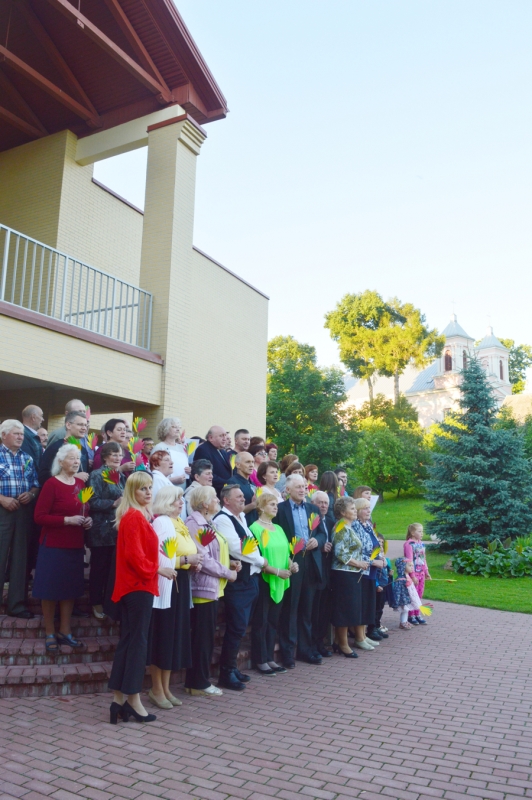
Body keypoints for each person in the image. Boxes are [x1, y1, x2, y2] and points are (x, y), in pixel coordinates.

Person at [108, 472, 175, 724]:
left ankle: (118, 701)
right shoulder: (135, 517)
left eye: (149, 488)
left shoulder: (135, 516)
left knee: (129, 642)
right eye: (142, 489)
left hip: (133, 587)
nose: (148, 492)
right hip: (138, 586)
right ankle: (133, 700)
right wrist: (159, 569)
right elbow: (135, 557)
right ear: (131, 492)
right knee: (137, 643)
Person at [148, 486, 203, 709]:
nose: (181, 504)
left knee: (173, 636)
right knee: (163, 635)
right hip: (166, 583)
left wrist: (191, 562)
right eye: (177, 500)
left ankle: (167, 687)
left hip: (180, 582)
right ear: (166, 502)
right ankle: (156, 688)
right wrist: (184, 560)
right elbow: (158, 557)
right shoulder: (161, 522)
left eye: (181, 500)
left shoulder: (178, 522)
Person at [33, 443, 91, 650]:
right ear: (60, 462)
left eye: (78, 458)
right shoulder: (51, 484)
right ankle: (50, 631)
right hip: (54, 545)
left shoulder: (80, 484)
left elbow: (84, 511)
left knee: (69, 589)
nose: (77, 462)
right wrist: (67, 520)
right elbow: (39, 517)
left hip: (75, 544)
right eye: (72, 458)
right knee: (49, 590)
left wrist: (87, 520)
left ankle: (65, 631)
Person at [185, 486, 238, 697]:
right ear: (205, 503)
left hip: (213, 586)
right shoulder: (194, 523)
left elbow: (215, 553)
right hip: (202, 587)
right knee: (202, 638)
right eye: (215, 498)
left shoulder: (209, 522)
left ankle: (198, 681)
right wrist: (227, 572)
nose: (218, 500)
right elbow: (203, 558)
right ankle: (198, 683)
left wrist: (231, 563)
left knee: (206, 637)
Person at [214, 484, 264, 691]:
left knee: (241, 628)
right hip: (238, 582)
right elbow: (238, 548)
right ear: (226, 500)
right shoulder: (223, 519)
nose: (244, 499)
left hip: (249, 580)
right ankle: (225, 673)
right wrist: (261, 561)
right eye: (239, 496)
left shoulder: (241, 517)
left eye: (243, 496)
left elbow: (249, 543)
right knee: (235, 627)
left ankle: (232, 668)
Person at [274, 474, 327, 667]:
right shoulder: (280, 509)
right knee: (291, 609)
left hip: (311, 561)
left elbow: (322, 533)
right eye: (298, 487)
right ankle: (288, 653)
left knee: (307, 609)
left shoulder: (313, 509)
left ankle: (305, 650)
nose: (303, 490)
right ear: (287, 490)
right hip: (292, 562)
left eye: (304, 486)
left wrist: (318, 541)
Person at [250, 493, 298, 675]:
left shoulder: (278, 528)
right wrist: (276, 571)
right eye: (271, 504)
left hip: (281, 579)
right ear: (261, 507)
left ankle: (269, 657)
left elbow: (286, 551)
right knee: (261, 621)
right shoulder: (254, 528)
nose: (275, 507)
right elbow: (256, 556)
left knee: (272, 621)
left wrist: (291, 564)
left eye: (276, 505)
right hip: (265, 579)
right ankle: (259, 659)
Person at [0, 420, 39, 618]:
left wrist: (31, 494)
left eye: (22, 434)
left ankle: (16, 605)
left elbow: (35, 484)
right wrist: (2, 499)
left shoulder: (27, 458)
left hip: (23, 511)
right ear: (3, 435)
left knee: (20, 559)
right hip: (2, 510)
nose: (20, 437)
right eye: (16, 434)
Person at [87, 442, 127, 620]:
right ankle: (96, 602)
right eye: (114, 455)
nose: (118, 458)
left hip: (118, 530)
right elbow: (90, 501)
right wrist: (112, 503)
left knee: (113, 570)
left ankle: (110, 603)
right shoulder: (96, 475)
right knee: (99, 569)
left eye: (120, 455)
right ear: (104, 457)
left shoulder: (121, 476)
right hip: (101, 531)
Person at [330, 496, 371, 657]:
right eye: (352, 508)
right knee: (344, 610)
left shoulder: (349, 527)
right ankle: (342, 644)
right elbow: (341, 553)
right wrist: (359, 563)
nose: (355, 511)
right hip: (343, 574)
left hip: (352, 574)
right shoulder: (340, 527)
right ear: (342, 512)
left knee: (350, 609)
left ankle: (341, 641)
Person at [353, 497, 384, 649]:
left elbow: (375, 545)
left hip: (372, 572)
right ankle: (359, 637)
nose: (368, 511)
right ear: (357, 511)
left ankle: (364, 635)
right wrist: (373, 562)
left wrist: (382, 558)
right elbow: (357, 551)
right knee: (362, 604)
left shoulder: (368, 525)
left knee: (369, 604)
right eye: (365, 508)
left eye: (368, 508)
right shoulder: (356, 526)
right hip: (362, 571)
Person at [310, 491, 334, 657]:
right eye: (320, 503)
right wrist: (320, 546)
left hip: (328, 571)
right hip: (314, 571)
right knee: (314, 610)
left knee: (324, 609)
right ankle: (312, 644)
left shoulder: (331, 521)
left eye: (326, 503)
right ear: (313, 503)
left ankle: (320, 642)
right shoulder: (311, 521)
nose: (324, 506)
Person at [39, 411, 90, 485]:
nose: (84, 428)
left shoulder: (83, 450)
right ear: (68, 425)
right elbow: (43, 476)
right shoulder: (55, 448)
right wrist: (73, 476)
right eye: (80, 424)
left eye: (85, 425)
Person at [151, 418, 191, 489]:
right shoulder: (159, 447)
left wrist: (190, 471)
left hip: (182, 489)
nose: (178, 429)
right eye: (174, 427)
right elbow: (153, 471)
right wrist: (171, 480)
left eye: (179, 427)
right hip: (165, 489)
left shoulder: (182, 448)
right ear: (165, 429)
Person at [404, 523, 431, 626]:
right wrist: (413, 576)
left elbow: (423, 559)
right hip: (414, 574)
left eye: (422, 531)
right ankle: (411, 615)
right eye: (419, 531)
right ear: (412, 533)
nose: (422, 533)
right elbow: (409, 560)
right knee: (412, 595)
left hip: (421, 574)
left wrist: (426, 571)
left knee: (419, 594)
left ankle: (417, 613)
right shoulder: (409, 544)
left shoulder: (421, 544)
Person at [194, 426, 232, 495]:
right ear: (211, 438)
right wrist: (227, 483)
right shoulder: (203, 450)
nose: (224, 439)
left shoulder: (222, 451)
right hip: (213, 492)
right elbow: (205, 473)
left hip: (225, 491)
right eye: (221, 436)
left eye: (225, 435)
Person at [227, 451, 258, 525]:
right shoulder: (232, 483)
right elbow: (233, 510)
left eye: (253, 462)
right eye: (248, 462)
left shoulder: (252, 483)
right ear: (238, 465)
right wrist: (253, 505)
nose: (251, 465)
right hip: (243, 525)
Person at [392, 558, 419, 630]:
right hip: (403, 597)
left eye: (412, 565)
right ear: (402, 566)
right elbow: (398, 590)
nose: (412, 567)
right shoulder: (401, 579)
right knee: (405, 609)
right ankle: (403, 622)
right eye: (409, 565)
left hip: (407, 597)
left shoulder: (407, 576)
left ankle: (405, 621)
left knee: (407, 609)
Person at [21, 405, 45, 470]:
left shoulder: (27, 434)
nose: (43, 419)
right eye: (41, 416)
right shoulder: (24, 435)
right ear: (33, 417)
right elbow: (29, 463)